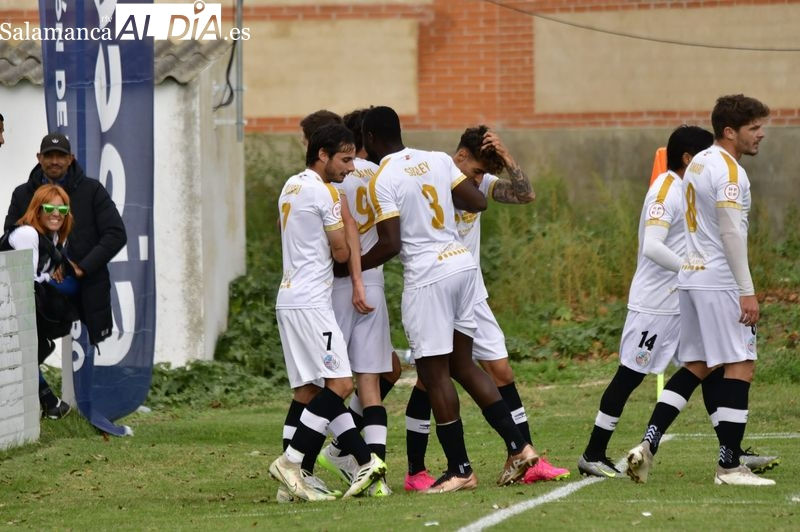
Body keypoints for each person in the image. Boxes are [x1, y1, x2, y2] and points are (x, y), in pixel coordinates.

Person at [360, 106, 537, 493]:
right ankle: (519, 447)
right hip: (462, 268)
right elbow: (478, 203)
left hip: (428, 278)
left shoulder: (383, 177)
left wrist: (350, 268)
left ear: (370, 139)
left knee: (434, 374)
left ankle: (460, 468)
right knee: (464, 364)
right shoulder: (437, 159)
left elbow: (390, 243)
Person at [403, 126, 570, 491]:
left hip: (469, 291)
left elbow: (526, 195)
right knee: (428, 380)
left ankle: (523, 456)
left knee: (501, 371)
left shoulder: (478, 183)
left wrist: (508, 159)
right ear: (460, 157)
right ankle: (416, 470)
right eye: (476, 171)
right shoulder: (434, 174)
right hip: (436, 286)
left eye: (483, 174)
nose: (478, 180)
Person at [627, 95, 776, 486]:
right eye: (754, 128)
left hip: (690, 278)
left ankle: (647, 445)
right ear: (730, 131)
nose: (761, 135)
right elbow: (729, 231)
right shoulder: (729, 171)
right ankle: (729, 466)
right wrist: (747, 290)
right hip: (719, 280)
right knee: (741, 363)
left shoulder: (697, 164)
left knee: (697, 365)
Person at [578, 125, 715, 478]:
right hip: (654, 305)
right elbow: (652, 246)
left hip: (683, 301)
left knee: (708, 366)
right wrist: (689, 268)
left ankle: (730, 453)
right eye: (706, 155)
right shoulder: (665, 190)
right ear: (688, 158)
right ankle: (593, 454)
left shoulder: (691, 189)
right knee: (629, 376)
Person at [269, 123, 387, 502]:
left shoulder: (291, 184)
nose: (351, 168)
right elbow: (340, 251)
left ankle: (296, 482)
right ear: (322, 154)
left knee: (308, 391)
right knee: (340, 385)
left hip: (289, 297)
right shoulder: (324, 193)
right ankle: (292, 462)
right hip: (311, 302)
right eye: (345, 159)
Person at [315, 108, 403, 497]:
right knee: (369, 382)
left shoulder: (334, 179)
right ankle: (376, 478)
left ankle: (316, 456)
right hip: (374, 283)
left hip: (338, 286)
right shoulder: (378, 174)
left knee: (329, 381)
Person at [5, 133, 127, 352]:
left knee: (90, 355)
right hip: (39, 293)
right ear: (39, 158)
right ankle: (40, 386)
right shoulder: (22, 194)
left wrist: (81, 267)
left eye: (60, 156)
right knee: (29, 352)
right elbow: (11, 238)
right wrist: (50, 265)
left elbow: (116, 233)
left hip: (87, 288)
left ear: (70, 159)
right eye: (49, 155)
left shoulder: (92, 190)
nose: (54, 161)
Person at [0, 184, 76, 419]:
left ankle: (48, 404)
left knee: (37, 347)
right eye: (49, 207)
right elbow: (27, 278)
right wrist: (50, 278)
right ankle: (50, 403)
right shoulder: (27, 234)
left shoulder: (53, 238)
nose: (56, 213)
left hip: (14, 302)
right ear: (38, 209)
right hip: (9, 299)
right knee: (25, 351)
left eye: (61, 208)